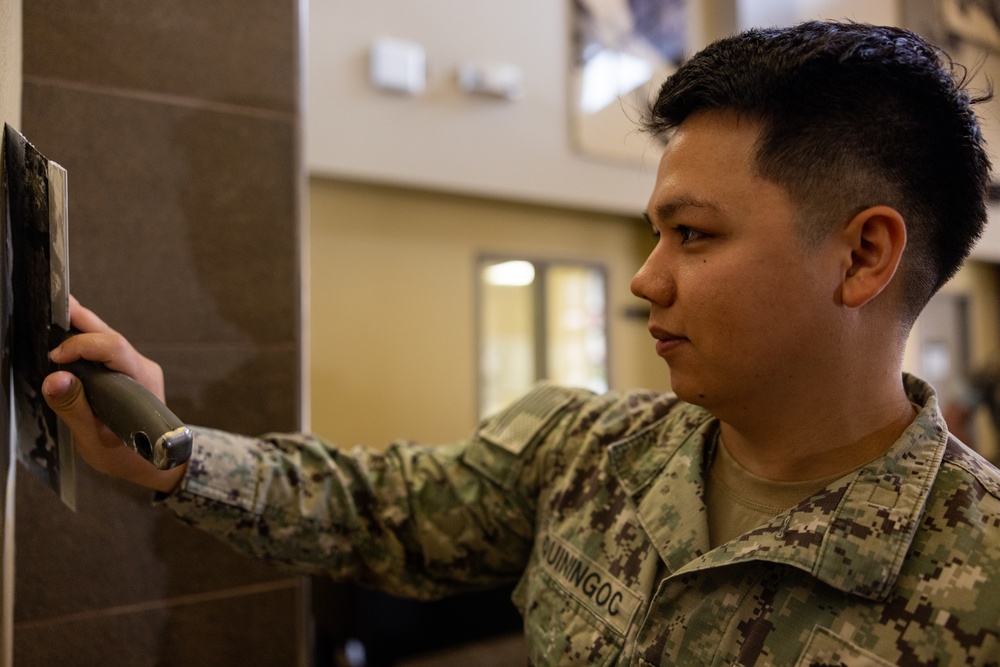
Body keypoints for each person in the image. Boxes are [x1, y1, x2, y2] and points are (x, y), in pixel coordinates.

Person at [42, 20, 1000, 666]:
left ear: (864, 254)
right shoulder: (585, 451)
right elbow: (379, 506)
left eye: (695, 234)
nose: (646, 278)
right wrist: (169, 451)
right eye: (654, 234)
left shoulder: (978, 576)